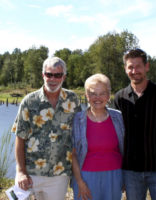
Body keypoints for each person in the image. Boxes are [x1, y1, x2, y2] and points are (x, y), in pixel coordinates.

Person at [114, 49, 156, 200]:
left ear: (147, 66)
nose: (134, 71)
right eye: (130, 67)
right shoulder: (120, 98)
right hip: (130, 171)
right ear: (125, 69)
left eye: (138, 66)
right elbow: (117, 137)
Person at [12, 56, 81, 200]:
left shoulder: (73, 100)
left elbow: (79, 136)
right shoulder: (29, 101)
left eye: (58, 75)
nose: (53, 79)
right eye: (49, 74)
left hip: (59, 175)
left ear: (64, 77)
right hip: (30, 173)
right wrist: (20, 171)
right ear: (43, 75)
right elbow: (20, 138)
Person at [72, 73, 125, 200]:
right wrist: (79, 182)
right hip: (85, 177)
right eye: (93, 93)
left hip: (114, 176)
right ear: (86, 95)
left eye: (102, 93)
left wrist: (124, 177)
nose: (97, 98)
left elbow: (125, 148)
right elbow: (73, 154)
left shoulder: (118, 117)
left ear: (108, 95)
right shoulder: (77, 119)